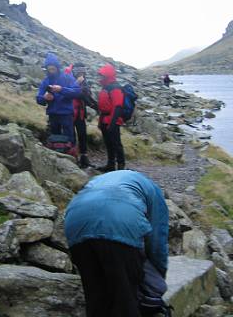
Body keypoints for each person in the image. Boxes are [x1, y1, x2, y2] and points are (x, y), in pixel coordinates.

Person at [64, 170, 169, 317]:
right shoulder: (154, 191)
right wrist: (158, 275)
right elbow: (157, 241)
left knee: (96, 298)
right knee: (125, 298)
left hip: (75, 222)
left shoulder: (98, 180)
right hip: (120, 221)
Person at [36, 52, 81, 143]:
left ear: (57, 67)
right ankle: (57, 156)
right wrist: (45, 98)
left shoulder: (67, 77)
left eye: (53, 68)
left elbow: (77, 92)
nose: (51, 70)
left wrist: (61, 89)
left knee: (69, 139)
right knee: (55, 139)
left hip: (66, 114)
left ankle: (70, 155)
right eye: (49, 68)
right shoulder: (46, 81)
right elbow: (39, 98)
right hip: (53, 115)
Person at [64, 62, 98, 168]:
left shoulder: (84, 81)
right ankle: (73, 158)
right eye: (79, 71)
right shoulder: (68, 79)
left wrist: (97, 107)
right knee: (71, 136)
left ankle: (84, 159)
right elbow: (67, 92)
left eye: (83, 71)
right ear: (74, 71)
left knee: (82, 135)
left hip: (80, 113)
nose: (81, 73)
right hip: (70, 112)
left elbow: (87, 96)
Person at [97, 63, 125, 171]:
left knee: (116, 144)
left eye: (102, 75)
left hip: (112, 120)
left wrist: (112, 124)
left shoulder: (115, 88)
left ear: (107, 75)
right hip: (105, 119)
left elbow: (117, 107)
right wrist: (101, 121)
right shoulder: (106, 87)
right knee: (108, 143)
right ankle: (111, 164)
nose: (100, 77)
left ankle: (121, 166)